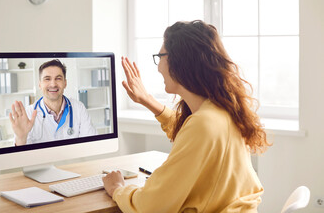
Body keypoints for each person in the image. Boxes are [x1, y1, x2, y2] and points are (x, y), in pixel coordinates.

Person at [103, 20, 270, 212]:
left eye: (160, 56)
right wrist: (148, 100)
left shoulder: (203, 124)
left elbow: (150, 207)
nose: (158, 67)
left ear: (181, 60)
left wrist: (118, 189)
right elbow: (189, 130)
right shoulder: (220, 110)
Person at [9, 59, 97, 145]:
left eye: (58, 78)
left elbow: (90, 145)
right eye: (47, 79)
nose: (53, 84)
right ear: (40, 84)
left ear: (65, 83)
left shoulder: (79, 108)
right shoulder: (29, 113)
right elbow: (23, 157)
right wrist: (21, 138)